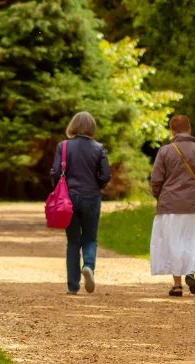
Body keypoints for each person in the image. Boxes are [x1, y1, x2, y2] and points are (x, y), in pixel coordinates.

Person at [149, 115, 195, 296]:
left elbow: (156, 180)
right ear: (189, 130)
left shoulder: (165, 151)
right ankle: (190, 273)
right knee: (189, 239)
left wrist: (160, 196)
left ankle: (177, 285)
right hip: (192, 205)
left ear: (173, 130)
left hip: (169, 203)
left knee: (172, 242)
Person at [50, 111, 111, 295]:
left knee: (73, 241)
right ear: (92, 128)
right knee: (90, 238)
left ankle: (72, 286)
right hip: (91, 196)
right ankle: (89, 267)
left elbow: (55, 172)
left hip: (69, 198)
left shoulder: (64, 146)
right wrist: (97, 185)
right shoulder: (98, 148)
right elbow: (106, 175)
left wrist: (58, 188)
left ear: (72, 126)